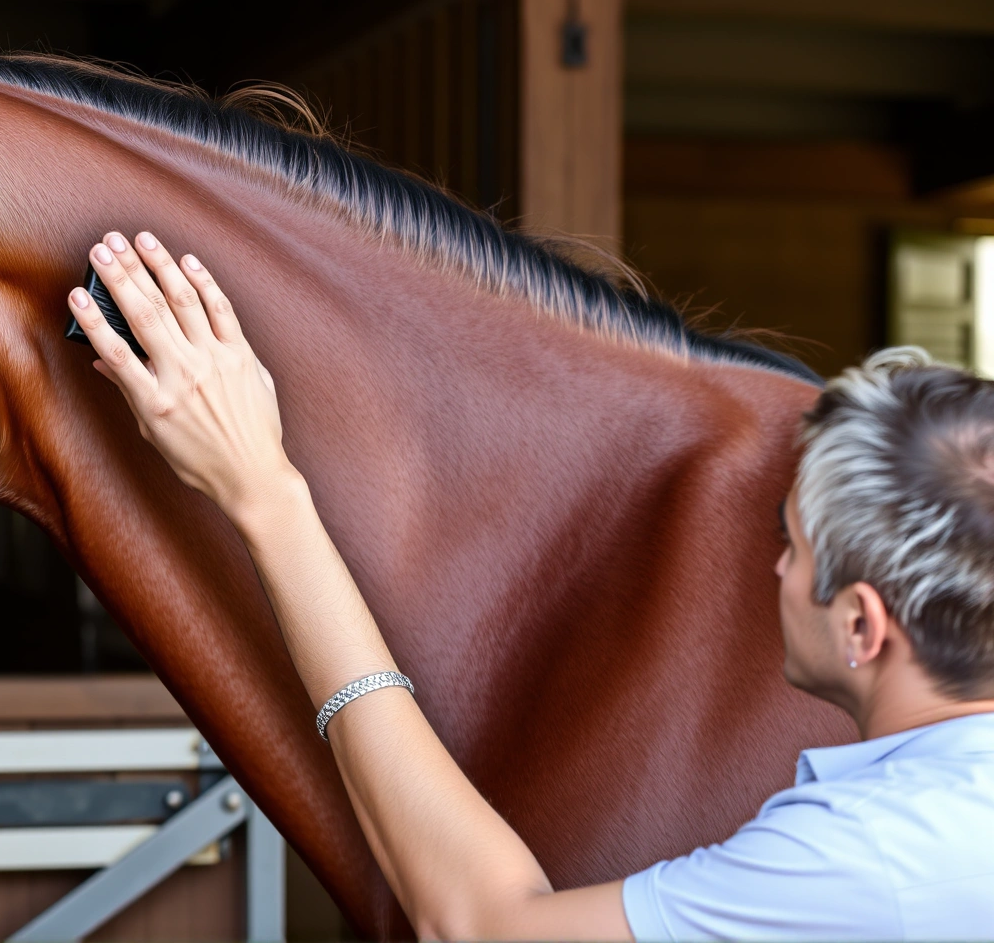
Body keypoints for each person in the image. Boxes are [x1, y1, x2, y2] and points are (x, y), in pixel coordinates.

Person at [66, 230, 994, 941]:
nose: (778, 570)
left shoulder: (875, 857)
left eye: (792, 547)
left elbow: (484, 929)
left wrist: (263, 491)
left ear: (864, 626)